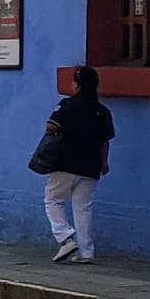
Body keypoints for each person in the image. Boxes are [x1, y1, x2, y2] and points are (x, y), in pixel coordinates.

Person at [34, 64, 116, 263]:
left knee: (53, 200)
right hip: (91, 165)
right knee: (83, 208)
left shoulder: (68, 105)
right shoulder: (102, 111)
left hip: (66, 162)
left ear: (77, 85)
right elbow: (105, 140)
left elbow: (50, 127)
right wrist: (104, 162)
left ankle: (65, 238)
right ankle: (86, 252)